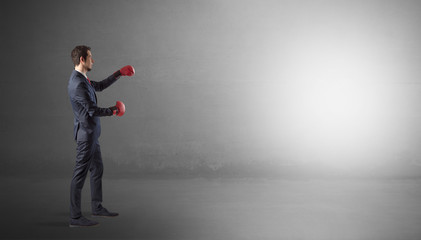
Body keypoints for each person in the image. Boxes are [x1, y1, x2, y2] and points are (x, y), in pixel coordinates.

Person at [67, 45, 135, 227]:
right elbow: (91, 110)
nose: (93, 60)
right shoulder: (78, 83)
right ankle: (75, 217)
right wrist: (113, 111)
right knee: (79, 175)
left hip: (91, 135)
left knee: (97, 169)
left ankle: (97, 207)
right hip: (86, 136)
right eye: (90, 57)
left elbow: (99, 86)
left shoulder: (82, 79)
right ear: (82, 59)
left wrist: (118, 73)